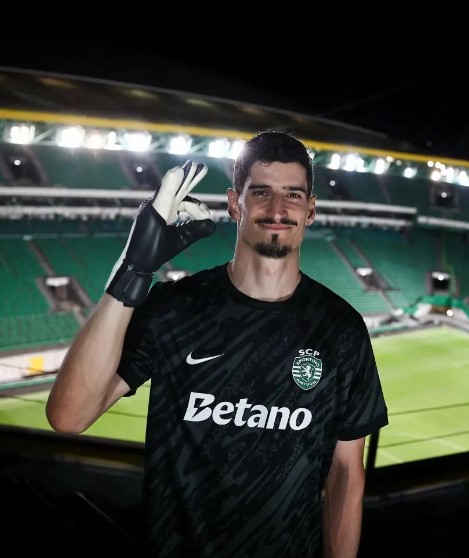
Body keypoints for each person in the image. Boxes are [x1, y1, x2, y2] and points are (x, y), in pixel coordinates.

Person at [45, 130, 389, 558]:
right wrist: (132, 268)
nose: (277, 209)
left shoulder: (341, 328)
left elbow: (346, 473)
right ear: (234, 203)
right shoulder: (175, 307)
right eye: (260, 192)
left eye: (293, 195)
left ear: (311, 209)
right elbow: (69, 416)